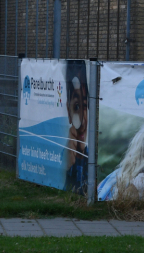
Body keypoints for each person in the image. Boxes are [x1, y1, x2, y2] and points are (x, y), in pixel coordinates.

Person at [64, 61, 88, 194]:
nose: (83, 121)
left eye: (85, 107)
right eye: (77, 107)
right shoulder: (64, 157)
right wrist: (67, 168)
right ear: (69, 111)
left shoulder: (93, 160)